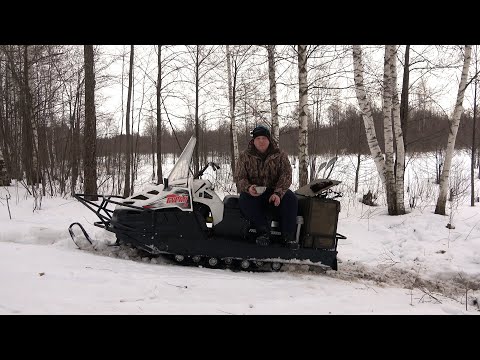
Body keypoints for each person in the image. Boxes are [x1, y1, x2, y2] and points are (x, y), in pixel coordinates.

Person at [234, 124, 299, 249]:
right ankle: (263, 233)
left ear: (269, 140)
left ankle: (288, 236)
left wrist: (278, 193)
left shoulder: (280, 155)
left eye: (264, 138)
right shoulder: (244, 156)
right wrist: (248, 188)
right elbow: (239, 177)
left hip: (274, 192)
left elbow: (286, 175)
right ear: (253, 141)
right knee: (243, 199)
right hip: (254, 193)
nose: (261, 141)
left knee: (291, 198)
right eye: (258, 138)